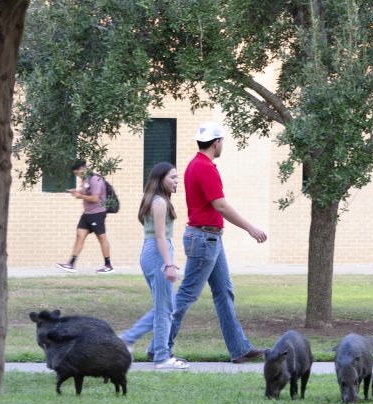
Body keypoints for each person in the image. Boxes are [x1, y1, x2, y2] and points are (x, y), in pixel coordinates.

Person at [167, 121, 268, 363]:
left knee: (224, 292)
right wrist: (250, 228)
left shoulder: (195, 165)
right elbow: (220, 205)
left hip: (209, 238)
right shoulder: (205, 168)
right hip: (204, 238)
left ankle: (239, 349)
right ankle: (160, 345)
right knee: (187, 295)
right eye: (222, 141)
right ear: (217, 142)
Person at [121, 162, 188, 369]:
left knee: (165, 307)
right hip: (158, 254)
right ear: (161, 179)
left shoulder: (156, 200)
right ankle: (161, 357)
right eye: (173, 177)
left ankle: (128, 339)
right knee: (165, 309)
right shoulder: (160, 202)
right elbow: (160, 236)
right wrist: (169, 264)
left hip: (152, 251)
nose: (177, 181)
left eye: (177, 177)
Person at [56, 160, 114, 273]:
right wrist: (76, 192)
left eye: (77, 173)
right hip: (87, 214)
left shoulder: (95, 179)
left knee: (102, 238)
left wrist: (79, 196)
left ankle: (108, 265)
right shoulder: (85, 179)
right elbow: (86, 193)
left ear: (83, 169)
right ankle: (71, 264)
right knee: (79, 236)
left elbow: (95, 198)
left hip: (97, 213)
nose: (77, 176)